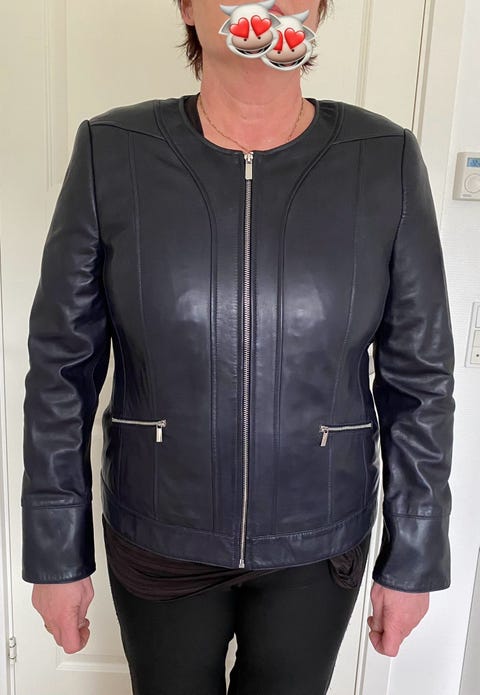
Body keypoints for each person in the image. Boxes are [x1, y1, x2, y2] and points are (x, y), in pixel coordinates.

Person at [21, 1, 455, 693]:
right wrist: (55, 552)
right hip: (158, 530)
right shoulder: (113, 151)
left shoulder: (383, 158)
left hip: (319, 540)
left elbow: (421, 379)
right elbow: (60, 370)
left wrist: (415, 555)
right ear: (188, 8)